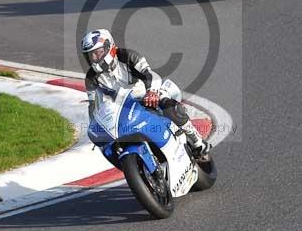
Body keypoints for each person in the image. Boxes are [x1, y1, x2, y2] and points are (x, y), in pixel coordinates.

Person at [81, 28, 209, 156]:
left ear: (109, 47)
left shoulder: (128, 56)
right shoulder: (91, 78)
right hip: (123, 109)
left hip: (146, 95)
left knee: (169, 106)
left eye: (98, 53)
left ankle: (197, 140)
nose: (94, 58)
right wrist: (97, 126)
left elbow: (150, 75)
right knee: (111, 147)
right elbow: (94, 105)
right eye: (90, 55)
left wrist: (151, 92)